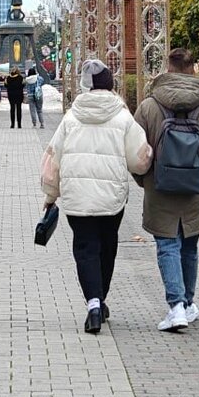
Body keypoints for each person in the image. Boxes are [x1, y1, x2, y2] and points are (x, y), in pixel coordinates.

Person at [41, 59, 152, 334]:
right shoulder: (123, 117)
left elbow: (53, 159)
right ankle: (101, 299)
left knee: (85, 248)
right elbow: (139, 160)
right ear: (110, 84)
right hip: (112, 197)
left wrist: (51, 194)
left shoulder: (70, 118)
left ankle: (93, 304)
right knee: (107, 247)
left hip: (77, 197)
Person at [133, 48, 199, 332]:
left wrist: (145, 179)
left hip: (159, 188)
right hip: (195, 190)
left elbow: (136, 152)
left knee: (167, 245)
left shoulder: (149, 106)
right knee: (189, 246)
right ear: (193, 69)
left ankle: (176, 306)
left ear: (168, 68)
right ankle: (187, 304)